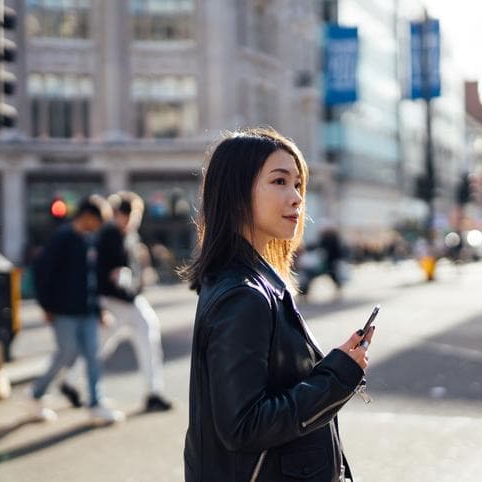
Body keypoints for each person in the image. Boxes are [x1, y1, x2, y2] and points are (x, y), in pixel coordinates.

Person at [182, 128, 375, 482]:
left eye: (299, 184)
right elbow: (243, 425)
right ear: (238, 192)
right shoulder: (244, 293)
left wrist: (336, 365)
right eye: (280, 181)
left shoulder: (252, 279)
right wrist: (337, 376)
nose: (297, 197)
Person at [60, 191, 172, 412]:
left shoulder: (129, 235)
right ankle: (70, 382)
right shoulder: (106, 235)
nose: (130, 220)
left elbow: (133, 267)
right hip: (111, 300)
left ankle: (153, 392)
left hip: (129, 299)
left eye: (134, 215)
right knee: (100, 345)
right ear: (117, 214)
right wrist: (101, 299)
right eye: (126, 215)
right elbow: (94, 270)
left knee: (147, 334)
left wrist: (136, 279)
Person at [30, 195, 125, 425]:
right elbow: (42, 273)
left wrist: (99, 308)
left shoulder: (89, 240)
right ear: (88, 217)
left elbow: (91, 279)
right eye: (98, 221)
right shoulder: (62, 238)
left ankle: (95, 403)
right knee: (67, 353)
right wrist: (47, 306)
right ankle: (35, 394)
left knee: (93, 356)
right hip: (64, 311)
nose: (99, 227)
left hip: (88, 311)